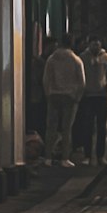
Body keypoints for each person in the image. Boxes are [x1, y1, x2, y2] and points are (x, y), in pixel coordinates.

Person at [43, 33, 85, 167]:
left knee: (51, 128)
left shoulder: (52, 59)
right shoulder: (76, 60)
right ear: (71, 43)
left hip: (54, 95)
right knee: (67, 129)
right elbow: (82, 82)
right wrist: (77, 97)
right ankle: (65, 158)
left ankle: (48, 157)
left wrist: (48, 93)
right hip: (70, 97)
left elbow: (46, 79)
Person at [79, 36, 107, 165]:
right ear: (89, 45)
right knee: (87, 127)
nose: (96, 47)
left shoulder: (106, 57)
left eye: (98, 45)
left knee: (101, 128)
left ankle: (100, 156)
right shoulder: (83, 57)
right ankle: (87, 155)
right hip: (87, 96)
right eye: (94, 44)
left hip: (101, 96)